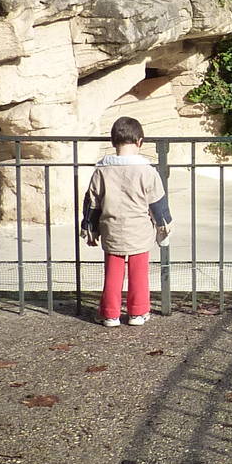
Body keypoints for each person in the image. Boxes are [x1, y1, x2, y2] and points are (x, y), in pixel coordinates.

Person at [80, 117, 172, 327]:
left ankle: (110, 314)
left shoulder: (102, 171)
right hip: (139, 231)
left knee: (113, 273)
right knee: (139, 273)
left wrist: (90, 229)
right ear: (140, 142)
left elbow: (92, 203)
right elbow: (158, 204)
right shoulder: (147, 171)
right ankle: (137, 313)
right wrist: (163, 228)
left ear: (113, 142)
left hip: (112, 229)